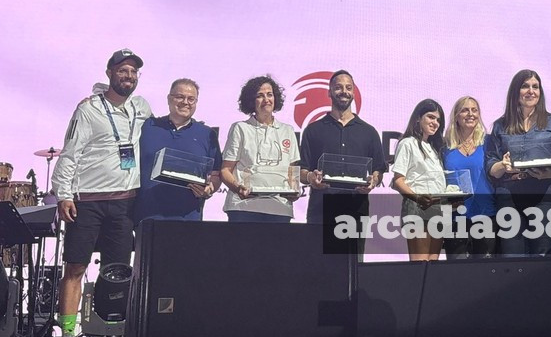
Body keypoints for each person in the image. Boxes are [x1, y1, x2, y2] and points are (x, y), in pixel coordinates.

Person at [51, 49, 153, 337]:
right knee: (75, 267)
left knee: (117, 272)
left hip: (124, 204)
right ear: (109, 73)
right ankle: (67, 336)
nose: (128, 76)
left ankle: (113, 332)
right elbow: (70, 152)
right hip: (88, 201)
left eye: (133, 71)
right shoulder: (89, 109)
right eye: (122, 70)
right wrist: (64, 194)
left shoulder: (141, 107)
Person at [485, 70, 551, 258]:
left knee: (544, 256)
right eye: (525, 86)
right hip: (510, 197)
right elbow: (491, 166)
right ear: (515, 91)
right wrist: (502, 165)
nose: (531, 91)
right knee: (512, 256)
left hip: (546, 195)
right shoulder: (500, 125)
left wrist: (550, 173)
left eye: (535, 87)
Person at [300, 70, 387, 257]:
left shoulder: (369, 132)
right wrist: (310, 177)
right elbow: (302, 170)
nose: (344, 92)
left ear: (354, 93)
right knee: (317, 268)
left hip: (355, 212)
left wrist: (373, 181)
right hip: (320, 211)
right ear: (329, 92)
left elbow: (378, 170)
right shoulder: (312, 131)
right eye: (338, 87)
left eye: (348, 88)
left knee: (353, 268)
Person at [134, 78, 222, 225]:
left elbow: (215, 174)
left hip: (188, 219)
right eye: (180, 97)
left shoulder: (207, 134)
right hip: (147, 217)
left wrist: (209, 189)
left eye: (191, 99)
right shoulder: (147, 126)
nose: (185, 102)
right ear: (169, 99)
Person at [220, 75, 300, 222]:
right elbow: (225, 170)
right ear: (251, 101)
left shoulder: (287, 130)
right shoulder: (240, 128)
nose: (266, 100)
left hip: (279, 209)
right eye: (260, 96)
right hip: (243, 208)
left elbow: (292, 171)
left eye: (270, 94)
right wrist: (238, 188)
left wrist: (294, 191)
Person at [391, 99, 447, 261]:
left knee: (433, 265)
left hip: (437, 209)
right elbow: (398, 180)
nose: (435, 123)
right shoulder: (407, 143)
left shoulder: (434, 148)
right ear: (418, 118)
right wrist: (417, 198)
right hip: (417, 208)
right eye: (431, 117)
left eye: (438, 120)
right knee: (420, 265)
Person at [442, 96, 497, 259]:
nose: (470, 114)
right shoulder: (444, 146)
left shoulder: (489, 142)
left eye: (474, 110)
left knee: (486, 270)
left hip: (485, 213)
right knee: (458, 270)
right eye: (465, 110)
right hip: (455, 215)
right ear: (456, 116)